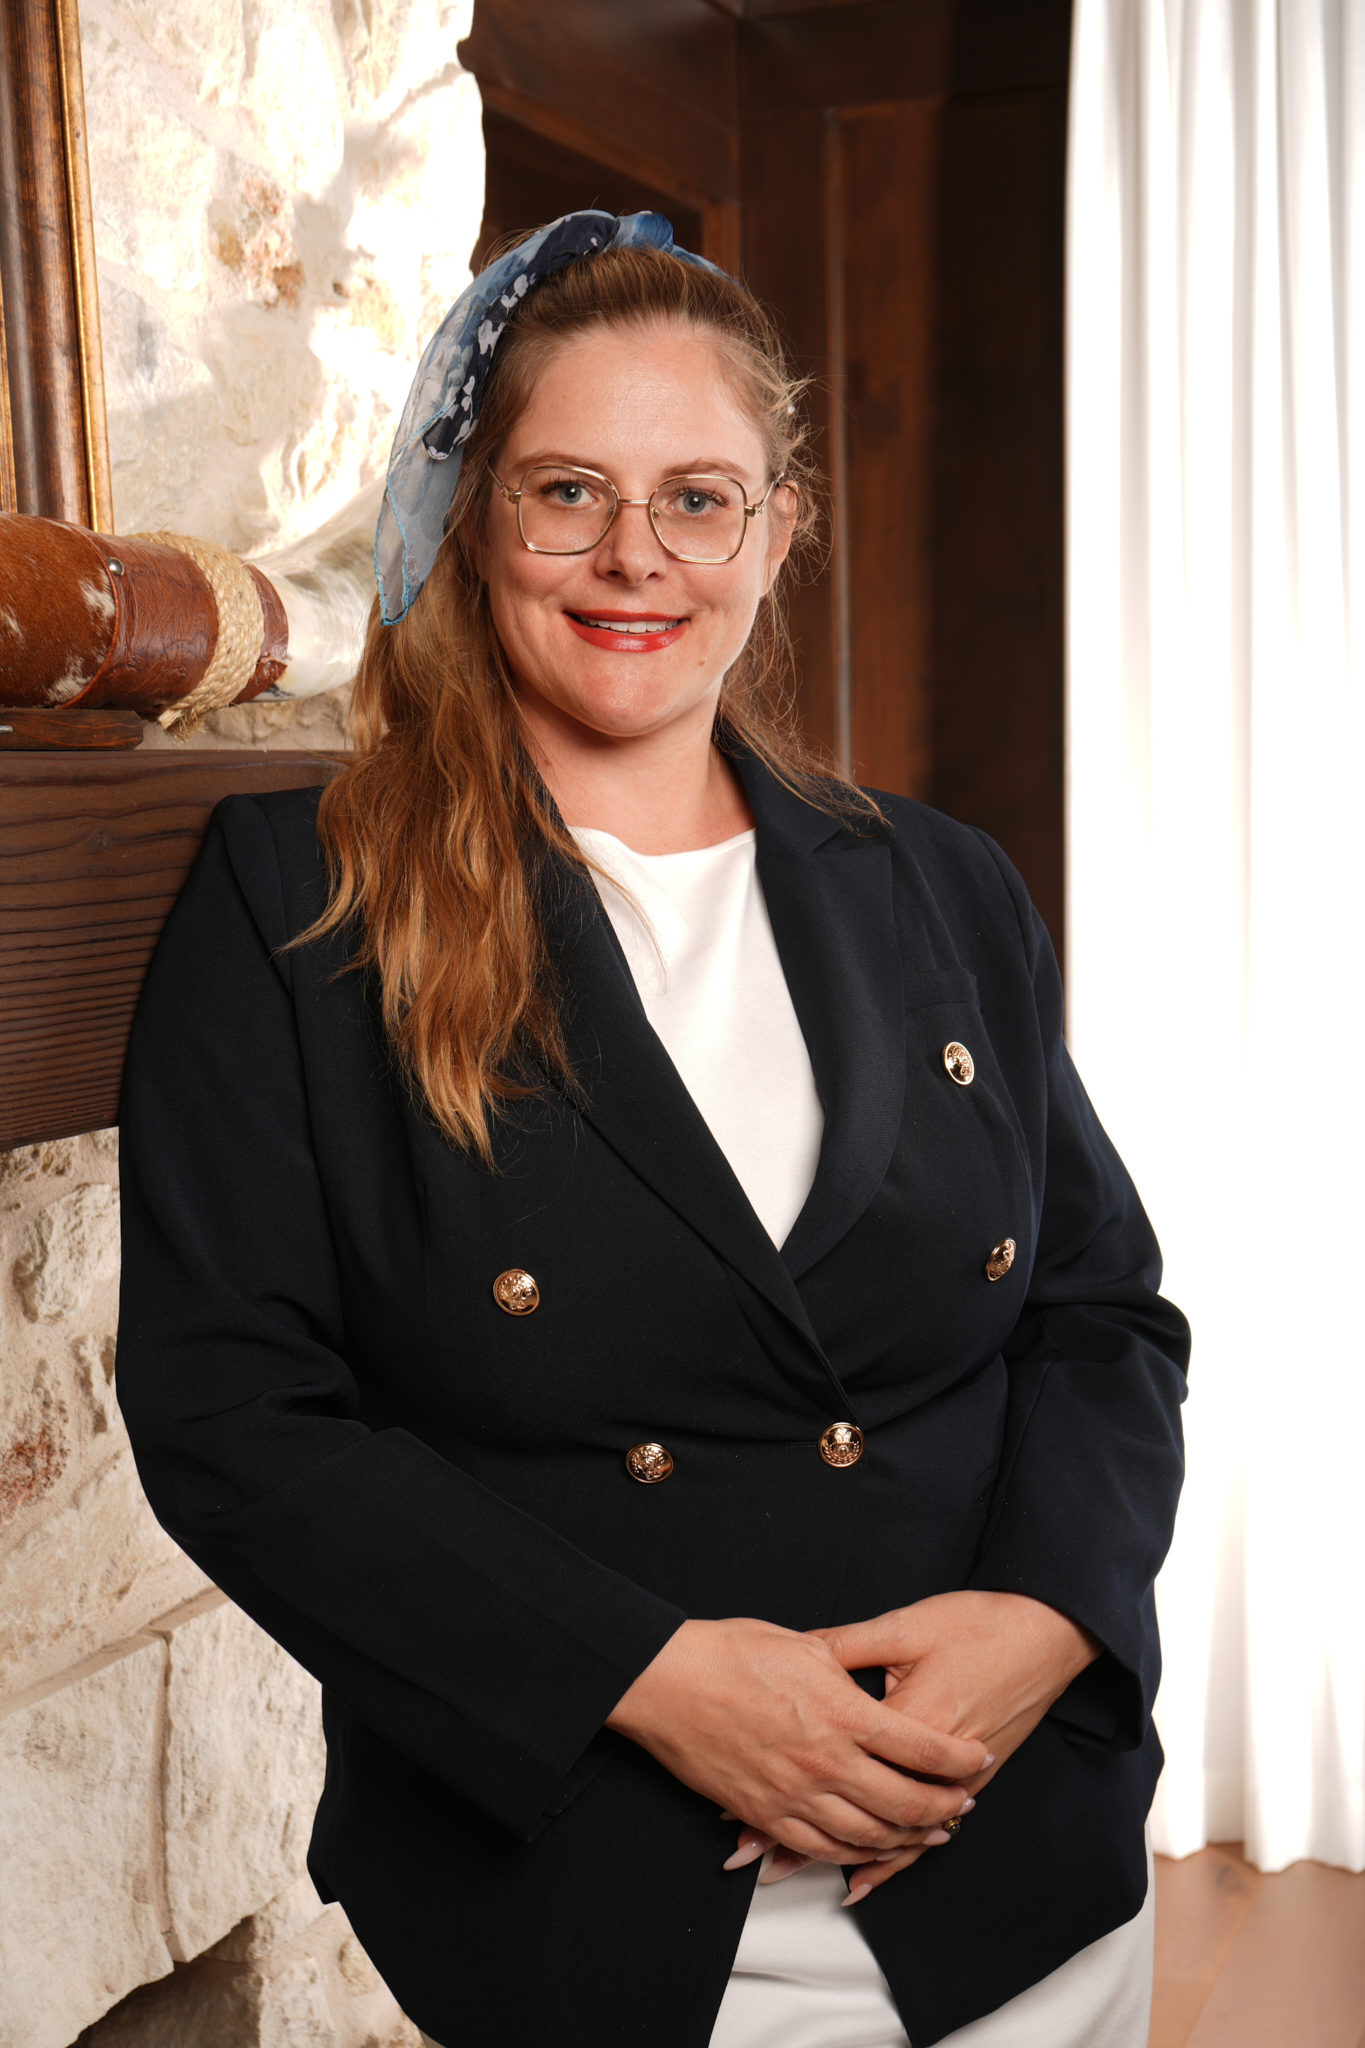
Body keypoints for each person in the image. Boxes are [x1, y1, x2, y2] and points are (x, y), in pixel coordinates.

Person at [116, 212, 1189, 2048]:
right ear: (474, 521)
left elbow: (1099, 1314)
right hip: (599, 1914)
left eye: (698, 499)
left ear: (775, 531)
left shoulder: (939, 880)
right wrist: (650, 1678)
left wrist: (1048, 1618)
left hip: (1015, 1870)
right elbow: (235, 1419)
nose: (635, 556)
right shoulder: (298, 899)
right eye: (567, 495)